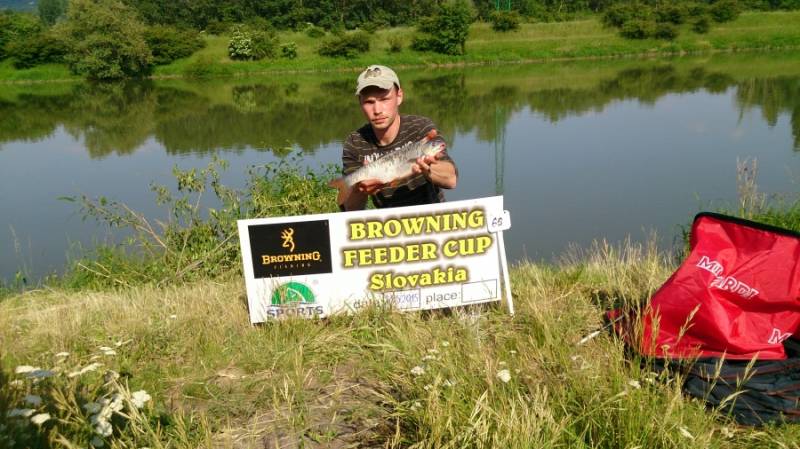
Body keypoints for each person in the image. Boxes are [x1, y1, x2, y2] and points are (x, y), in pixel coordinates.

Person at [340, 65, 457, 211]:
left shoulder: (420, 128)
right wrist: (361, 190)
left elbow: (451, 180)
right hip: (390, 221)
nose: (377, 110)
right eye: (369, 102)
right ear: (360, 103)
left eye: (384, 99)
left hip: (432, 216)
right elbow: (350, 210)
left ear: (399, 96)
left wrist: (427, 168)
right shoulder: (355, 143)